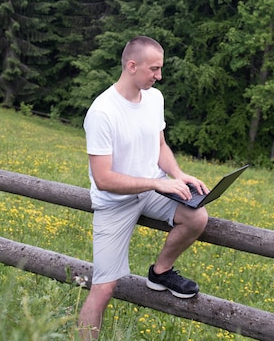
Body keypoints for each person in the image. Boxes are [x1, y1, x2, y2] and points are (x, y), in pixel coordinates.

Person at [78, 36, 209, 340]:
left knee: (196, 216)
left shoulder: (155, 98)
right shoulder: (102, 112)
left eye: (160, 69)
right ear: (132, 66)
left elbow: (159, 144)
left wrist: (178, 174)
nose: (159, 76)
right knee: (104, 287)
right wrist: (157, 183)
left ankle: (160, 272)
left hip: (152, 189)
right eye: (155, 69)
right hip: (115, 201)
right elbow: (104, 179)